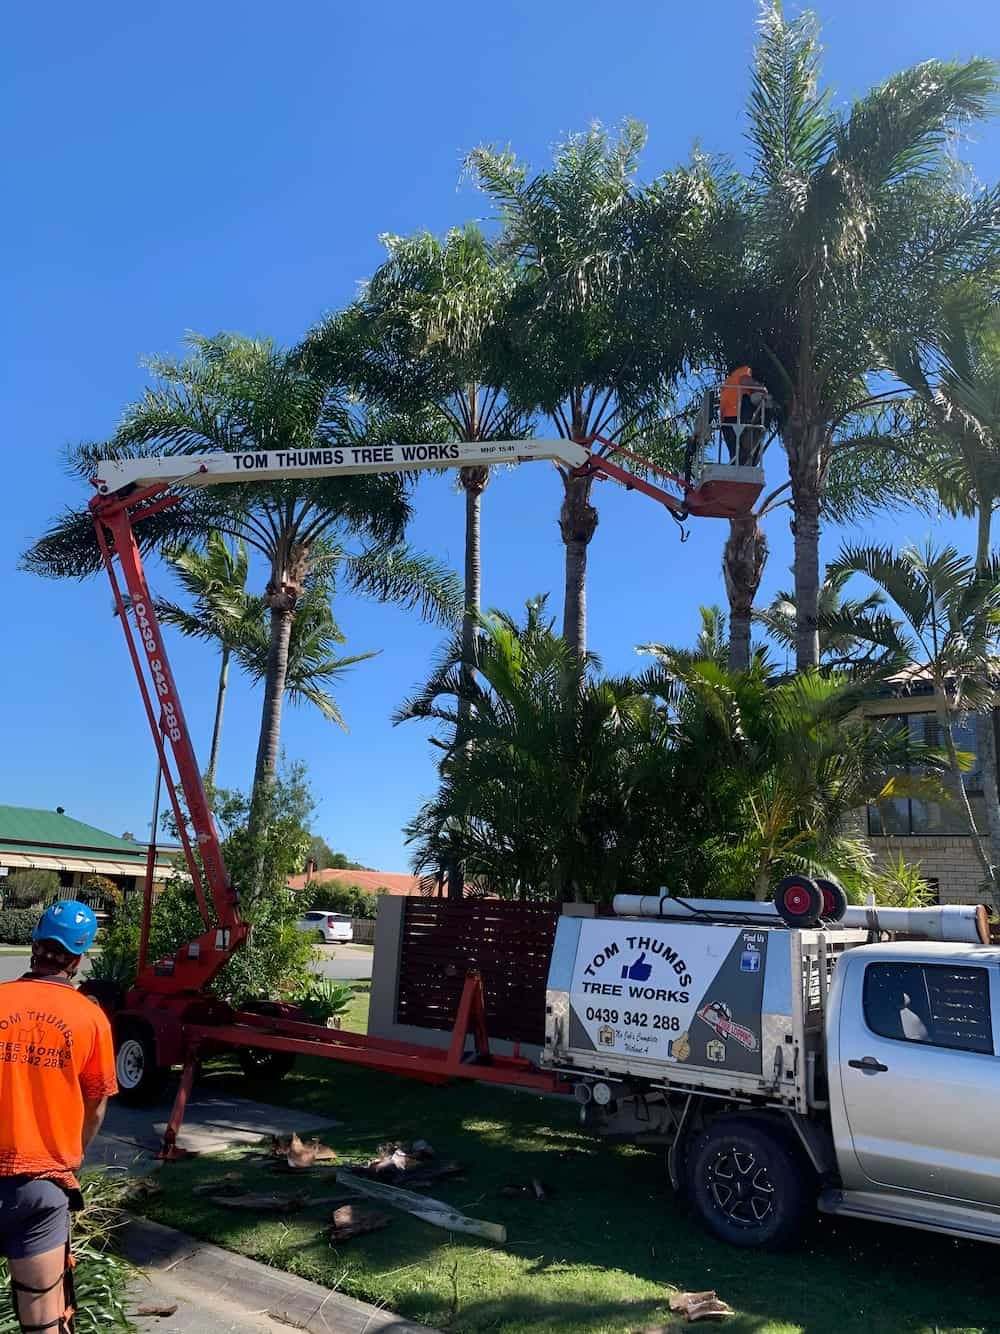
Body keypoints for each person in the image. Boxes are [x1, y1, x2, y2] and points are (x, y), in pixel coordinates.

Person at [0, 901, 117, 1333]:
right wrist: (72, 1159)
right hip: (41, 1191)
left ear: (34, 944)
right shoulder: (90, 1018)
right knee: (44, 1323)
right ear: (79, 957)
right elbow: (96, 1104)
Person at [718, 366, 767, 465]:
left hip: (727, 417)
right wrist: (761, 388)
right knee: (741, 453)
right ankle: (740, 467)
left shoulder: (731, 378)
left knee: (735, 451)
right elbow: (744, 380)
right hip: (735, 415)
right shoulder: (745, 370)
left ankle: (737, 467)